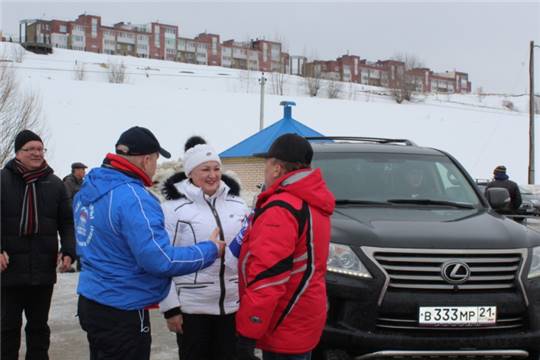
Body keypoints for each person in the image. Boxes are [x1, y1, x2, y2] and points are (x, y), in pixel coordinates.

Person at [74, 126, 225, 360]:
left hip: (93, 300)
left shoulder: (90, 188)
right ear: (146, 159)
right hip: (123, 308)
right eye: (155, 159)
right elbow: (160, 260)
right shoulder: (134, 198)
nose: (155, 166)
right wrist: (209, 250)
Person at [235, 133, 335, 360]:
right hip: (303, 317)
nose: (265, 171)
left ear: (278, 168)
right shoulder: (312, 202)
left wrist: (248, 333)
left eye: (266, 164)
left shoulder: (282, 208)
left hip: (283, 322)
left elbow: (269, 277)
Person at [159, 136, 249, 360]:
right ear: (190, 173)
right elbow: (162, 261)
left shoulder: (238, 205)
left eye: (216, 168)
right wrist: (170, 309)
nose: (212, 175)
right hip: (192, 310)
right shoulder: (172, 209)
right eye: (205, 169)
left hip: (232, 307)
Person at [1, 129, 75, 360]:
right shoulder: (2, 180)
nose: (36, 153)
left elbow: (67, 222)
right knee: (8, 328)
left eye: (40, 149)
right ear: (18, 153)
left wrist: (69, 250)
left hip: (42, 268)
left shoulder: (54, 183)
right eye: (30, 149)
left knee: (39, 327)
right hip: (9, 268)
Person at [63, 161, 87, 271]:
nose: (84, 172)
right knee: (73, 239)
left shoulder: (83, 183)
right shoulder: (69, 182)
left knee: (82, 238)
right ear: (76, 170)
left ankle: (80, 264)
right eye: (82, 170)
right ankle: (67, 263)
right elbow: (66, 200)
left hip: (82, 216)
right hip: (72, 215)